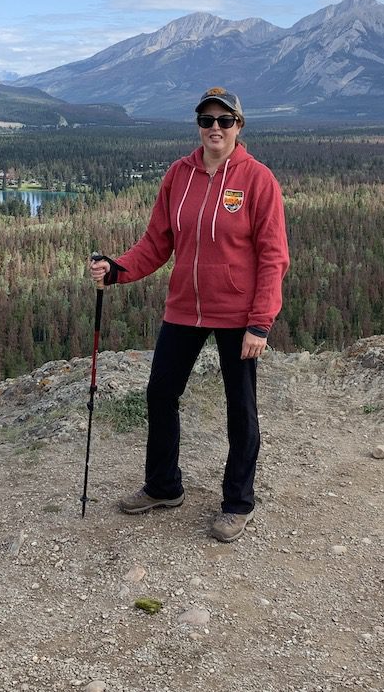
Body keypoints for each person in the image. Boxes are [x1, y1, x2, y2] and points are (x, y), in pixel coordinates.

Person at [89, 87, 289, 543]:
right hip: (184, 308)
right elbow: (156, 243)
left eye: (224, 120)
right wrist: (117, 271)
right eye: (206, 120)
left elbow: (273, 256)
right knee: (160, 394)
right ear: (198, 125)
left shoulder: (258, 179)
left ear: (239, 125)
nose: (214, 128)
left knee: (241, 409)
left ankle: (238, 503)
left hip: (237, 313)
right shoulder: (178, 175)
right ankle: (164, 486)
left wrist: (260, 322)